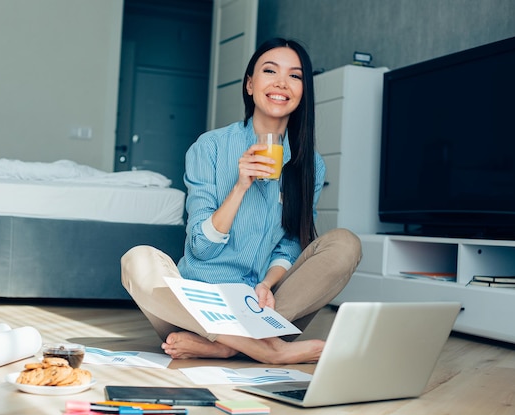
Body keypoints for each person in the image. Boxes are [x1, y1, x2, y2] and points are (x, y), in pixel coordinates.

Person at [121, 38, 362, 365]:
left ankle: (228, 346)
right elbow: (200, 248)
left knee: (345, 243)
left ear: (304, 91)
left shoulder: (310, 165)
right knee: (137, 260)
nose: (281, 82)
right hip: (197, 310)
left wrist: (266, 284)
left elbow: (291, 243)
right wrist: (240, 186)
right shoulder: (210, 148)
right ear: (250, 84)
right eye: (269, 71)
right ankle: (263, 349)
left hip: (263, 309)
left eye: (295, 75)